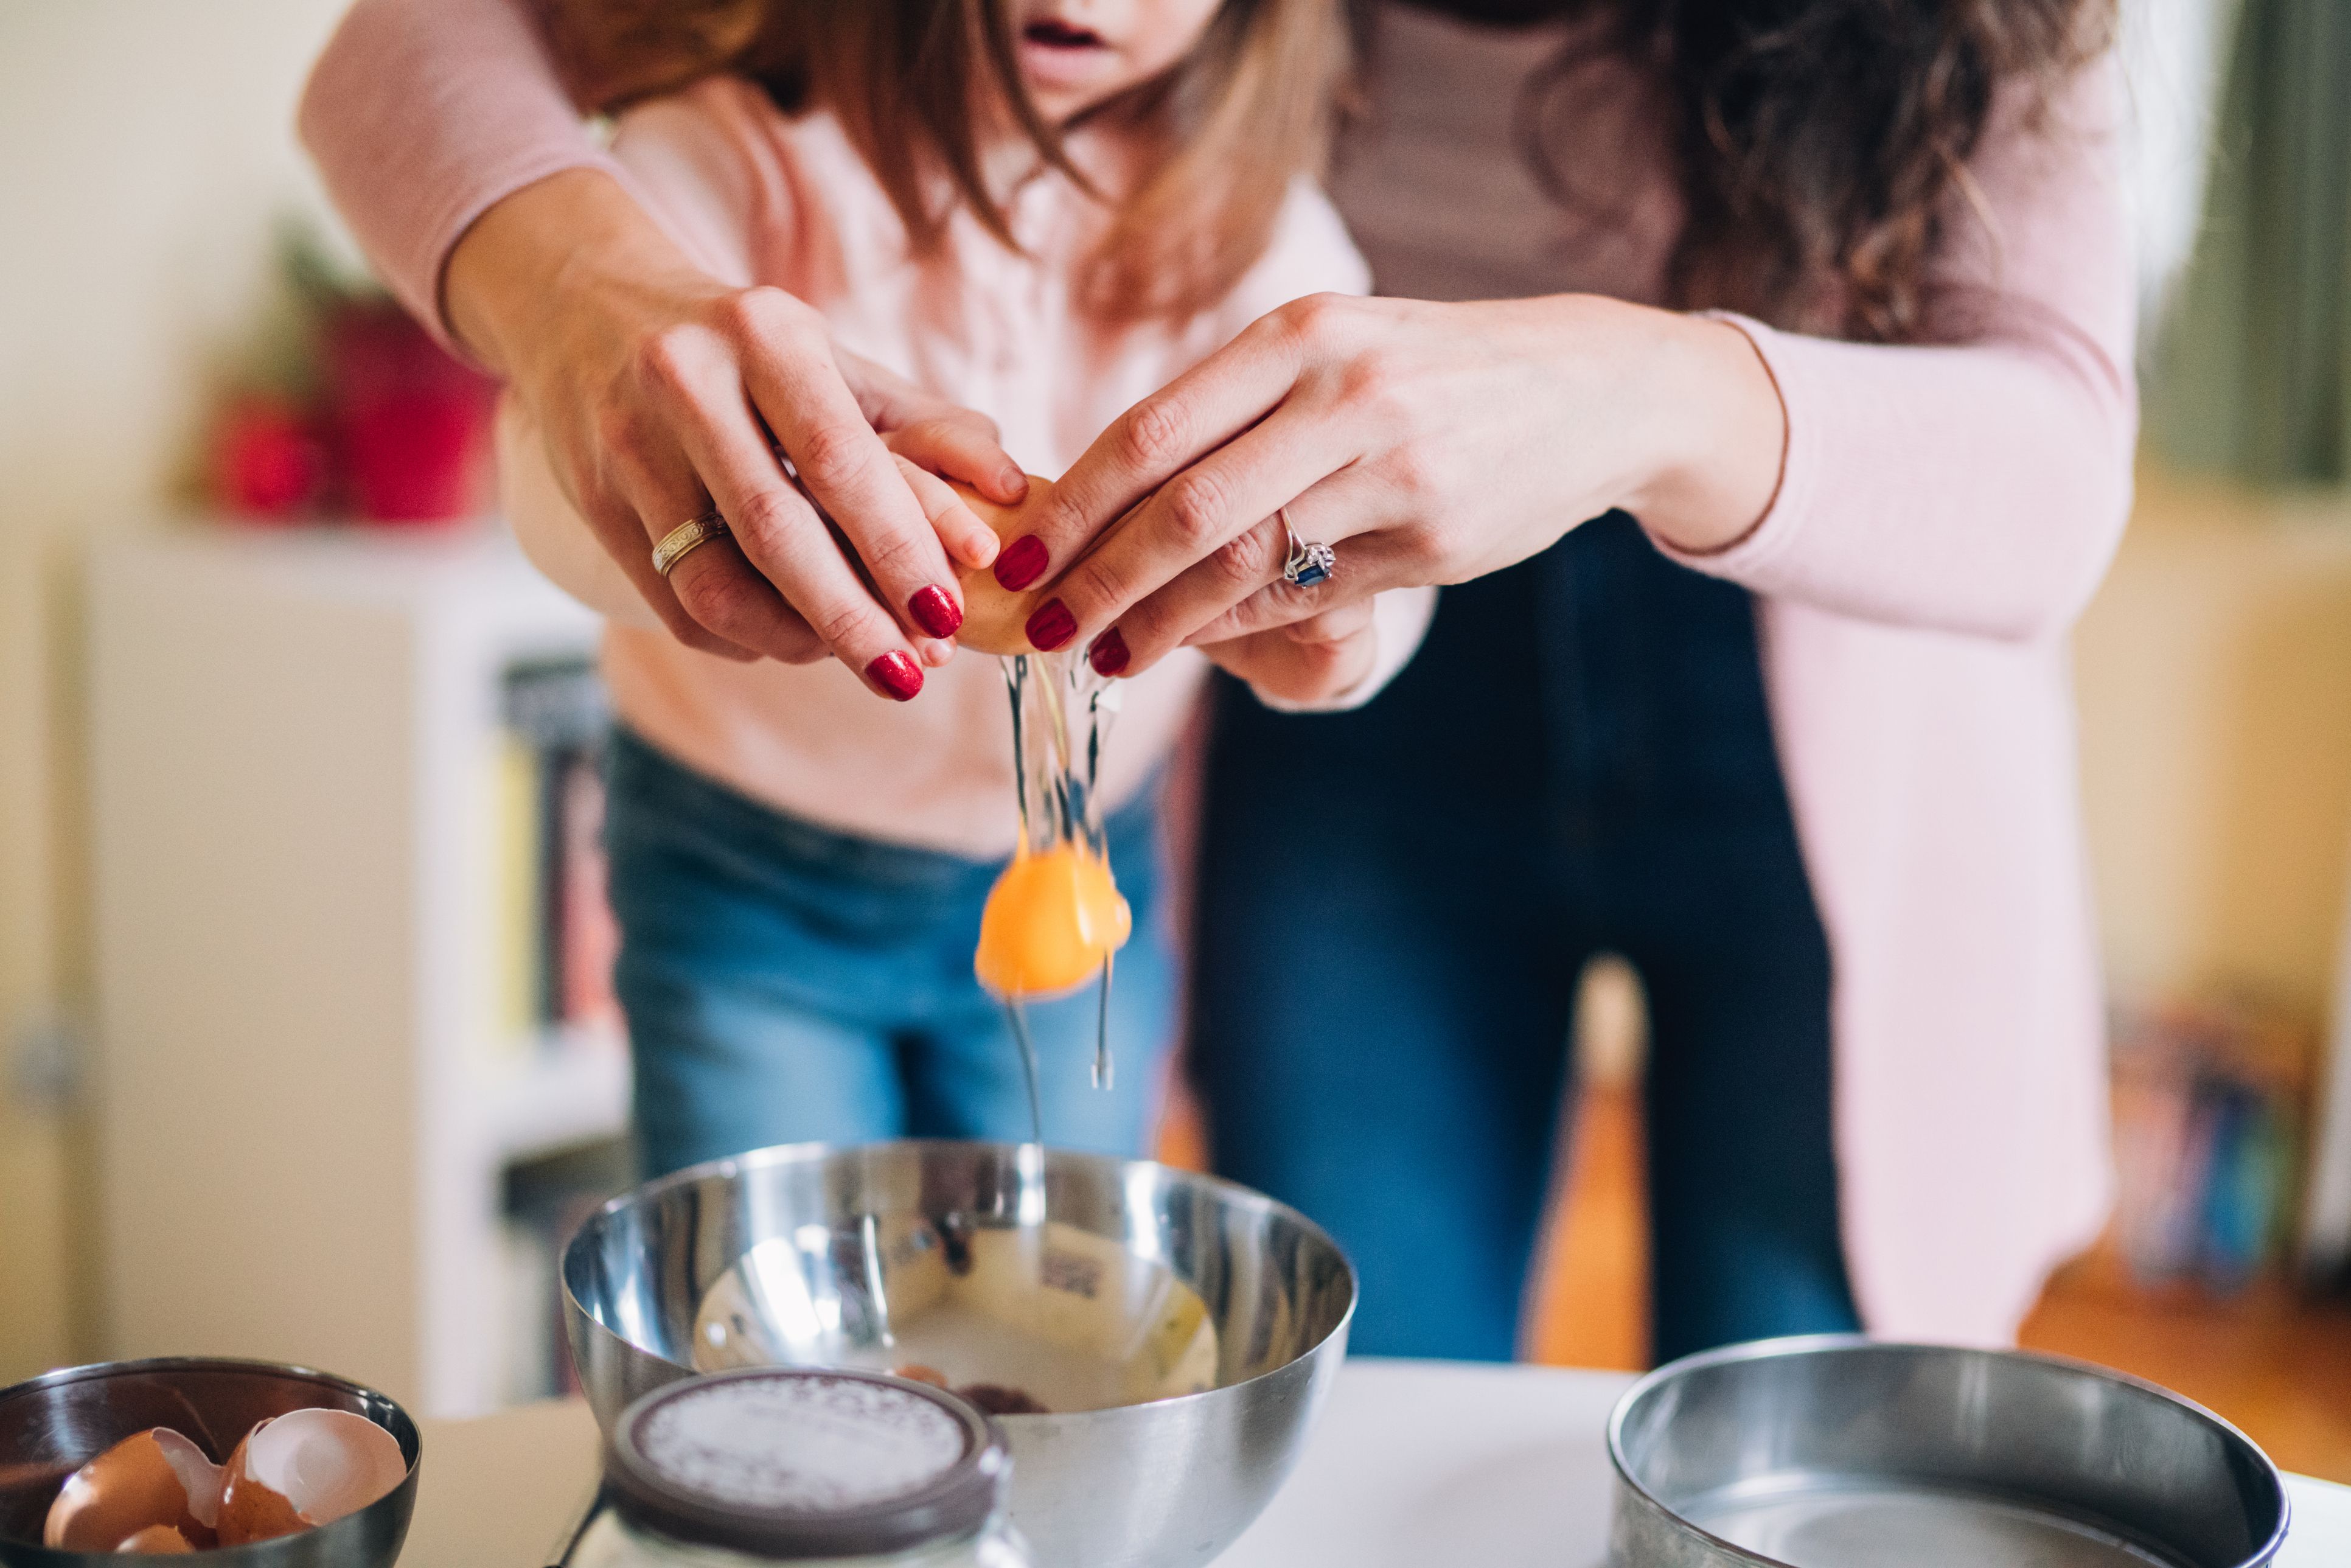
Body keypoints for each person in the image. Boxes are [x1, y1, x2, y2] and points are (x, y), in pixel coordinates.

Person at [301, 0, 2130, 1356]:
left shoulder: (1248, 217)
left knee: (1780, 1432)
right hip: (1281, 749)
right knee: (1306, 1388)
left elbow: (2056, 466)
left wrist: (1633, 403)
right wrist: (591, 326)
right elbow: (411, 65)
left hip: (1816, 699)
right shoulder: (775, 129)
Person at [322, 0, 1432, 1179]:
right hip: (742, 887)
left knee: (1056, 1287)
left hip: (1077, 878)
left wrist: (1347, 632)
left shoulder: (1261, 233)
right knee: (763, 1307)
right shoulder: (728, 156)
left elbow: (1372, 514)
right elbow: (558, 465)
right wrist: (728, 528)